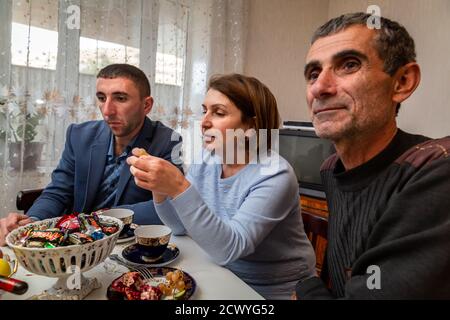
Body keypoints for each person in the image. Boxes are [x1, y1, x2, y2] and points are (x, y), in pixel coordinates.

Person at [295, 12, 450, 299]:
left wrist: (305, 289)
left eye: (349, 65)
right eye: (313, 74)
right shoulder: (331, 169)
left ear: (402, 81)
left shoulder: (436, 169)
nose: (319, 87)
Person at [127, 73, 316, 299]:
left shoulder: (275, 174)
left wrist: (178, 185)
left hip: (271, 290)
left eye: (218, 112)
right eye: (204, 110)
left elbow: (230, 249)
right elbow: (179, 227)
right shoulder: (208, 159)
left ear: (251, 126)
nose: (204, 122)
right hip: (220, 272)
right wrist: (159, 190)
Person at [0, 64, 182, 246]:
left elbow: (171, 205)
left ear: (146, 105)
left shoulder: (168, 141)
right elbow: (58, 192)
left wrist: (101, 218)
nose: (107, 111)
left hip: (127, 246)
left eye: (120, 98)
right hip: (76, 245)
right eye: (102, 98)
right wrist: (32, 220)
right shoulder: (79, 135)